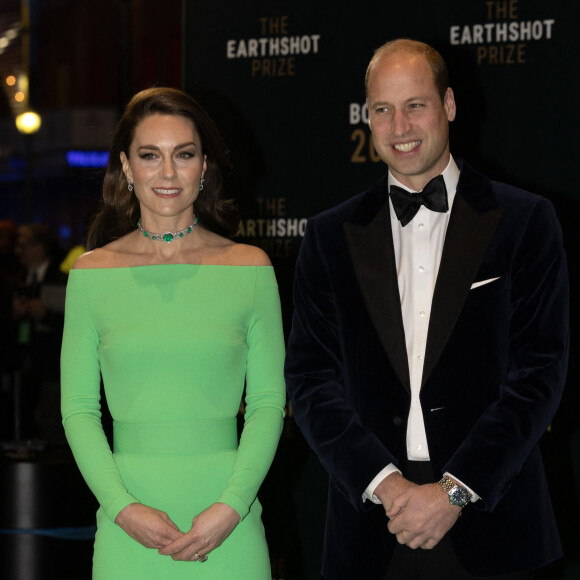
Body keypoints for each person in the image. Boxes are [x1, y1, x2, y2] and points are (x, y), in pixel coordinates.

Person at [284, 39, 569, 580]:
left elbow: (539, 374)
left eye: (415, 104)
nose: (400, 127)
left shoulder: (525, 220)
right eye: (382, 111)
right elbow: (311, 379)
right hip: (372, 528)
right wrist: (387, 486)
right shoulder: (328, 236)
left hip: (495, 522)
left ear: (450, 105)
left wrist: (454, 492)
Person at [61, 87, 286, 579]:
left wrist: (231, 507)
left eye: (183, 155)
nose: (167, 173)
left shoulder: (250, 268)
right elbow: (78, 408)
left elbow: (269, 401)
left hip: (231, 523)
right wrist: (122, 508)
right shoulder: (91, 273)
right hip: (127, 528)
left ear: (204, 166)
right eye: (150, 156)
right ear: (126, 166)